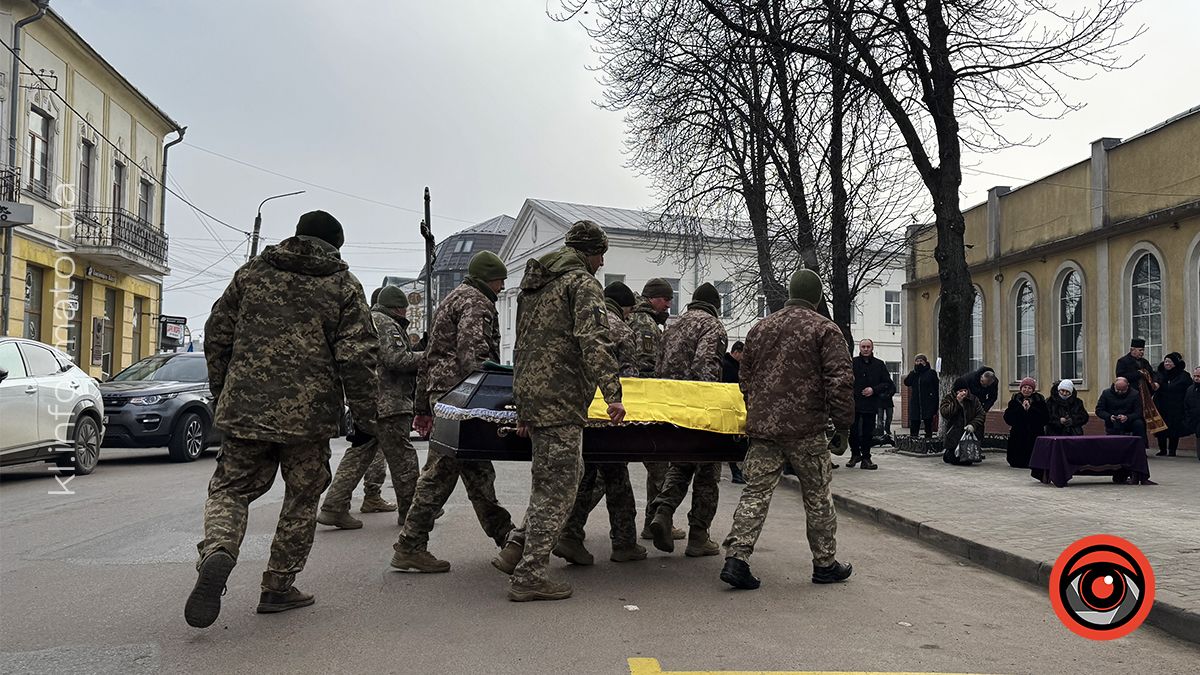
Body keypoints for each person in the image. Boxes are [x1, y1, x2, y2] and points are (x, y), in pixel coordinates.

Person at [186, 211, 379, 628]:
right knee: (302, 497)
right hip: (309, 418)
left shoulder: (252, 274)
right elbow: (357, 357)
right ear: (335, 246)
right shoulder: (342, 285)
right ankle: (278, 585)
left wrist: (223, 392)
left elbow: (216, 334)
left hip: (246, 409)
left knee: (231, 489)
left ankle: (219, 548)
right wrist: (366, 417)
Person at [493, 220, 626, 602]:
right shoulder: (581, 283)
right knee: (558, 488)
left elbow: (523, 345)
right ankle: (530, 575)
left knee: (553, 480)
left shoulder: (535, 286)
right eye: (600, 254)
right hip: (562, 398)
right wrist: (612, 392)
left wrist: (523, 404)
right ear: (589, 252)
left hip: (536, 394)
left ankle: (517, 547)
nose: (602, 263)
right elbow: (594, 338)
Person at [720, 268, 854, 590]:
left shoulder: (760, 328)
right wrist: (843, 427)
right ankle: (825, 564)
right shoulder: (824, 329)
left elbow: (745, 378)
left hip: (765, 430)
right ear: (817, 297)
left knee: (756, 492)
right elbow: (840, 380)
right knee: (817, 495)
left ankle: (736, 558)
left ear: (790, 293)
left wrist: (759, 410)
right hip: (806, 430)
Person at [389, 251, 516, 573]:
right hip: (461, 397)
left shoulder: (452, 299)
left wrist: (423, 405)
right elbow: (474, 357)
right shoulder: (476, 301)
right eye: (500, 281)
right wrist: (497, 395)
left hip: (445, 395)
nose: (502, 287)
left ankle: (509, 539)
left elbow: (428, 358)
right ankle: (410, 545)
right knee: (441, 473)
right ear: (489, 278)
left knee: (477, 471)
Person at [553, 281, 646, 567]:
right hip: (609, 414)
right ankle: (624, 542)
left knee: (586, 474)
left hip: (578, 410)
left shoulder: (580, 321)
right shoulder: (623, 331)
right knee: (617, 477)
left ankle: (570, 534)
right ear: (624, 308)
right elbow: (629, 380)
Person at [318, 286, 421, 529]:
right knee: (403, 458)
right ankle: (412, 514)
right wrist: (427, 356)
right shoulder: (386, 323)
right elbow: (396, 359)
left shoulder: (367, 320)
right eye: (405, 308)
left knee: (360, 452)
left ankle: (334, 507)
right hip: (389, 402)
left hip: (368, 400)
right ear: (398, 307)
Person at [647, 282, 728, 557]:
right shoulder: (712, 326)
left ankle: (663, 511)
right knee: (707, 471)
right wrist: (712, 409)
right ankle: (698, 536)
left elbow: (658, 367)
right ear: (715, 306)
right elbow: (705, 366)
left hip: (670, 409)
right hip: (699, 409)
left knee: (680, 463)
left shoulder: (672, 325)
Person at [629, 278, 685, 543]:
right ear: (652, 298)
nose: (669, 304)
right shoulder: (645, 324)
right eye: (665, 299)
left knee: (655, 466)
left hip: (636, 403)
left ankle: (653, 524)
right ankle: (657, 523)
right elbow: (646, 367)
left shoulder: (643, 319)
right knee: (658, 464)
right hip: (644, 405)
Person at [849, 339, 893, 470]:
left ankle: (866, 458)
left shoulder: (879, 364)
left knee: (868, 432)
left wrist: (874, 390)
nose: (866, 349)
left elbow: (887, 383)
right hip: (854, 403)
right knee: (853, 431)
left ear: (872, 348)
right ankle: (855, 454)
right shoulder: (853, 363)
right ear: (860, 348)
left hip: (870, 404)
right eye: (863, 347)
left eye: (868, 347)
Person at [1002, 377, 1049, 469]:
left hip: (1034, 433)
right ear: (1021, 388)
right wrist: (1021, 409)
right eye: (1025, 387)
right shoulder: (1014, 401)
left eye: (1029, 388)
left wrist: (1031, 409)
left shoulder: (1039, 401)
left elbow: (1045, 418)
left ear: (1033, 390)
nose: (1026, 390)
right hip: (1018, 434)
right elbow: (1008, 418)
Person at [939, 377, 986, 465]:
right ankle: (948, 454)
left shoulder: (973, 399)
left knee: (967, 461)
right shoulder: (949, 398)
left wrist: (973, 425)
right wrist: (957, 402)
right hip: (954, 434)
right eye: (961, 391)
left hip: (969, 434)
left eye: (965, 390)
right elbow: (944, 412)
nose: (963, 393)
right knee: (955, 459)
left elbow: (981, 414)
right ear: (956, 391)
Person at [1152, 352, 1190, 456]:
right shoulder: (1159, 374)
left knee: (1174, 428)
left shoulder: (1183, 375)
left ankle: (1172, 450)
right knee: (1161, 428)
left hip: (1176, 406)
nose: (1167, 364)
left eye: (1169, 362)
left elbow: (1188, 389)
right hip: (1161, 405)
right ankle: (1162, 449)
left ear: (1175, 363)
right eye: (1165, 361)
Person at [722, 341, 746, 483]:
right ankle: (736, 472)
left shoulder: (733, 365)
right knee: (732, 441)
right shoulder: (728, 366)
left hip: (733, 408)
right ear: (736, 352)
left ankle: (737, 471)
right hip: (729, 408)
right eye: (743, 354)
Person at [903, 354, 939, 438]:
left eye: (921, 361)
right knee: (914, 423)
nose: (919, 363)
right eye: (917, 361)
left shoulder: (931, 373)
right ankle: (913, 439)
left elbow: (936, 387)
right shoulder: (914, 373)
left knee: (928, 423)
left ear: (925, 362)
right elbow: (907, 382)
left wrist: (934, 402)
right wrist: (914, 372)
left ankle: (928, 439)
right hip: (916, 403)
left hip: (928, 402)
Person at [1183, 367, 1200, 460]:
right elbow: (1186, 405)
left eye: (1199, 376)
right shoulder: (1190, 389)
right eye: (1195, 376)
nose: (1196, 378)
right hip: (1194, 419)